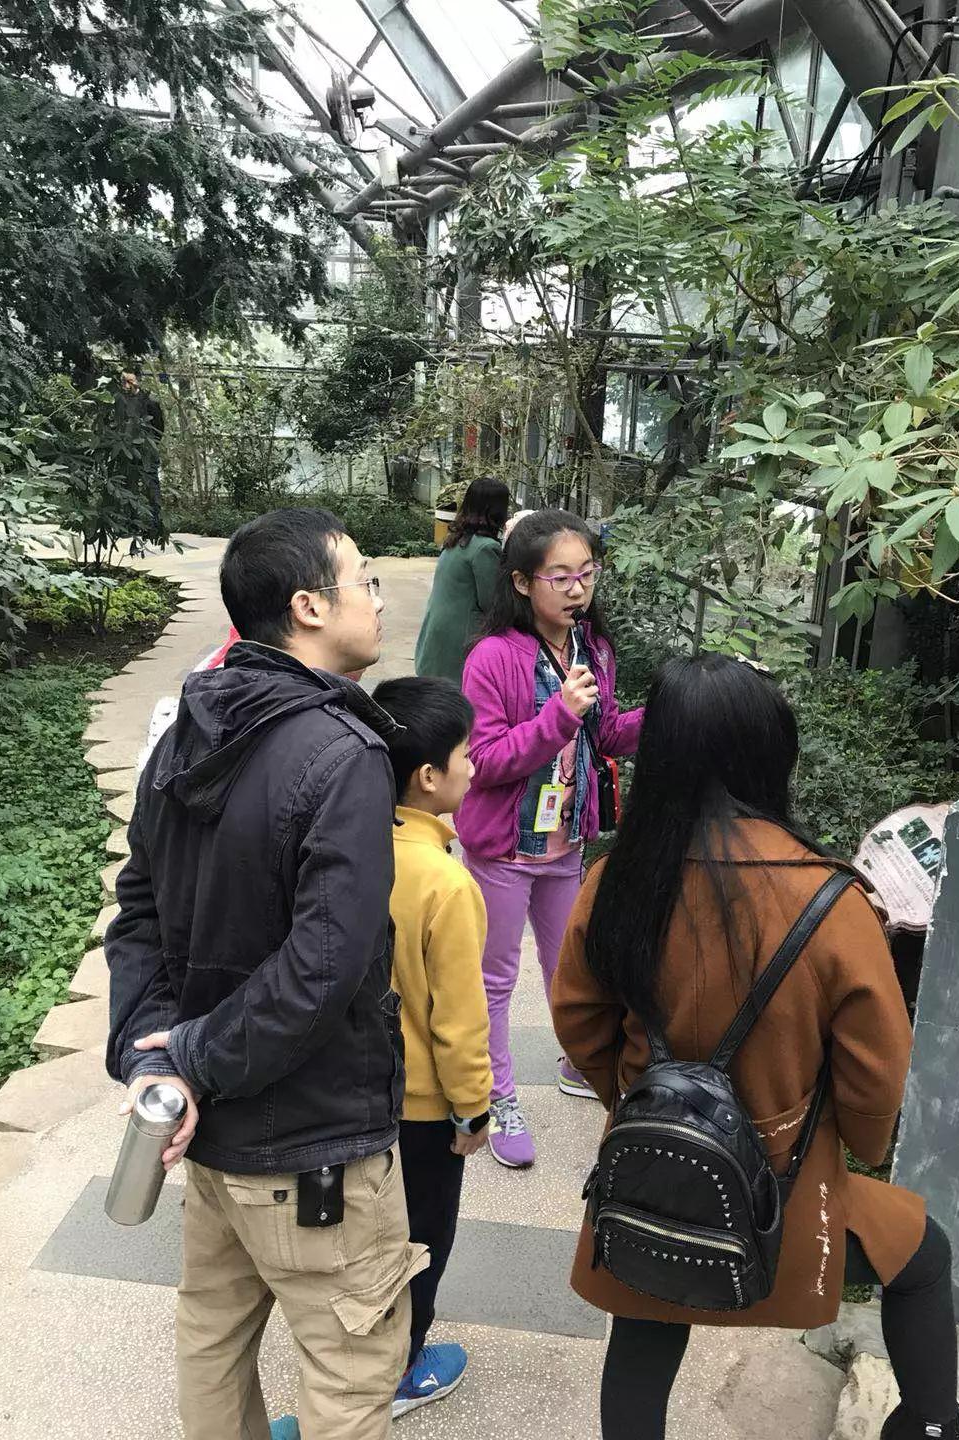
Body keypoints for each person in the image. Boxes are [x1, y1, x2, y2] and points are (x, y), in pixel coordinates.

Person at [550, 653, 959, 1440]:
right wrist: (858, 1147)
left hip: (650, 1178)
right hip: (785, 1197)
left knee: (643, 1320)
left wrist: (649, 1103)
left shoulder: (615, 882)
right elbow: (875, 1081)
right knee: (922, 1253)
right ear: (770, 754)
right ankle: (931, 1425)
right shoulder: (832, 902)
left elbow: (578, 1021)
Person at [105, 508, 427, 1440]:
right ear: (308, 606)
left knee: (211, 1339)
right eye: (364, 580)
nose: (377, 599)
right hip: (314, 1141)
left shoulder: (186, 727)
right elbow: (327, 968)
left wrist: (160, 1058)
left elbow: (137, 913)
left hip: (212, 1137)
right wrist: (189, 1058)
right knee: (351, 1370)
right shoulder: (346, 755)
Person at [457, 510, 643, 1169]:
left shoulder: (595, 647)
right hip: (502, 852)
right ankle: (497, 1096)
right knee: (495, 979)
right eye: (559, 576)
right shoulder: (491, 658)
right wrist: (558, 716)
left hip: (566, 841)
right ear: (521, 581)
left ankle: (576, 1061)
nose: (577, 588)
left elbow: (608, 732)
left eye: (586, 572)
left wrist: (671, 712)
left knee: (571, 966)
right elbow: (484, 762)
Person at [372, 676, 493, 1419]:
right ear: (427, 776)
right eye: (466, 754)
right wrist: (473, 1109)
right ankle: (400, 1369)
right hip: (420, 1109)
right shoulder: (445, 883)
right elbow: (459, 1020)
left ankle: (352, 1354)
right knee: (422, 1239)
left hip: (351, 1094)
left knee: (363, 1235)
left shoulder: (348, 847)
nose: (473, 767)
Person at [414, 477, 510, 683]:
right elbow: (492, 603)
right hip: (459, 642)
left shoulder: (457, 540)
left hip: (438, 637)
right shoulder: (486, 548)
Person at [112, 367, 165, 537]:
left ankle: (155, 526)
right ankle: (130, 525)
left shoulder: (150, 402)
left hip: (147, 451)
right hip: (127, 450)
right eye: (124, 381)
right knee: (129, 486)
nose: (126, 385)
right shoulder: (120, 401)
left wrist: (150, 444)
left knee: (151, 487)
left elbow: (159, 428)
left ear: (137, 381)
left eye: (130, 381)